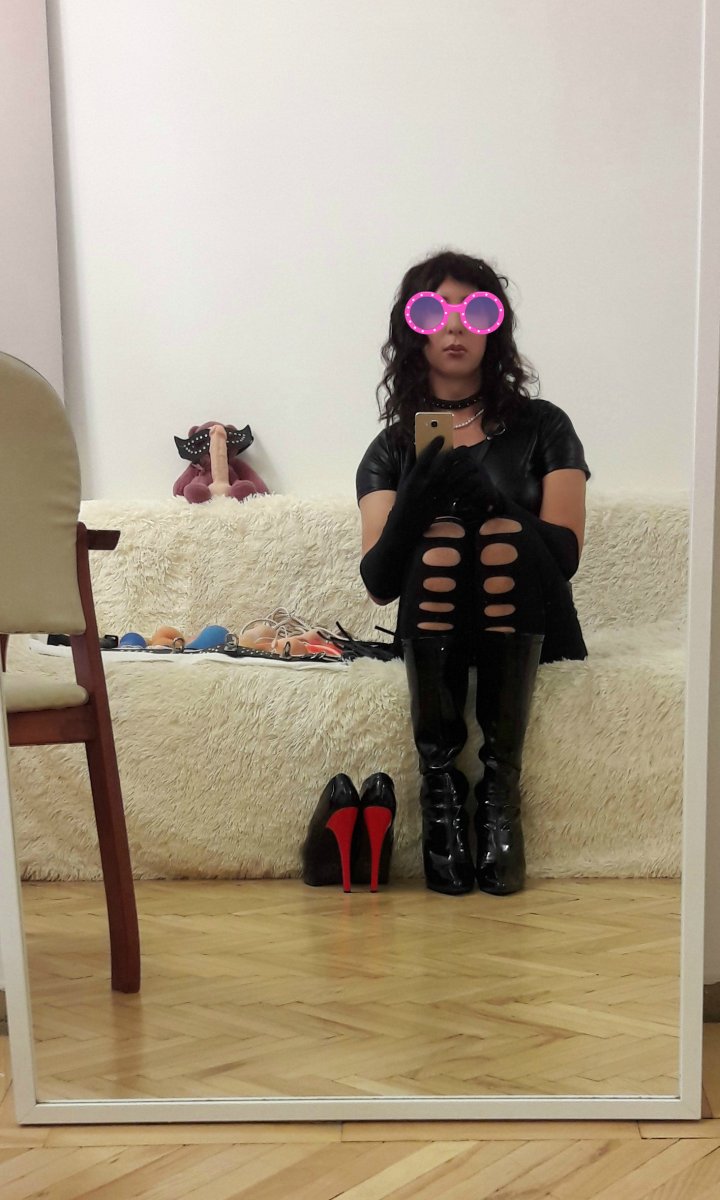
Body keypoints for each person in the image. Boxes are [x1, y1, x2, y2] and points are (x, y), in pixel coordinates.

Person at [355, 250, 591, 898]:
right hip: (438, 625)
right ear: (412, 331)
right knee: (440, 539)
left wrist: (497, 504)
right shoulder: (391, 449)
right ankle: (441, 795)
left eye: (475, 310)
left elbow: (565, 556)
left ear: (496, 326)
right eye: (433, 311)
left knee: (495, 534)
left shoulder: (545, 428)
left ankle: (498, 796)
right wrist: (415, 502)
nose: (455, 326)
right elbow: (379, 581)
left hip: (532, 618)